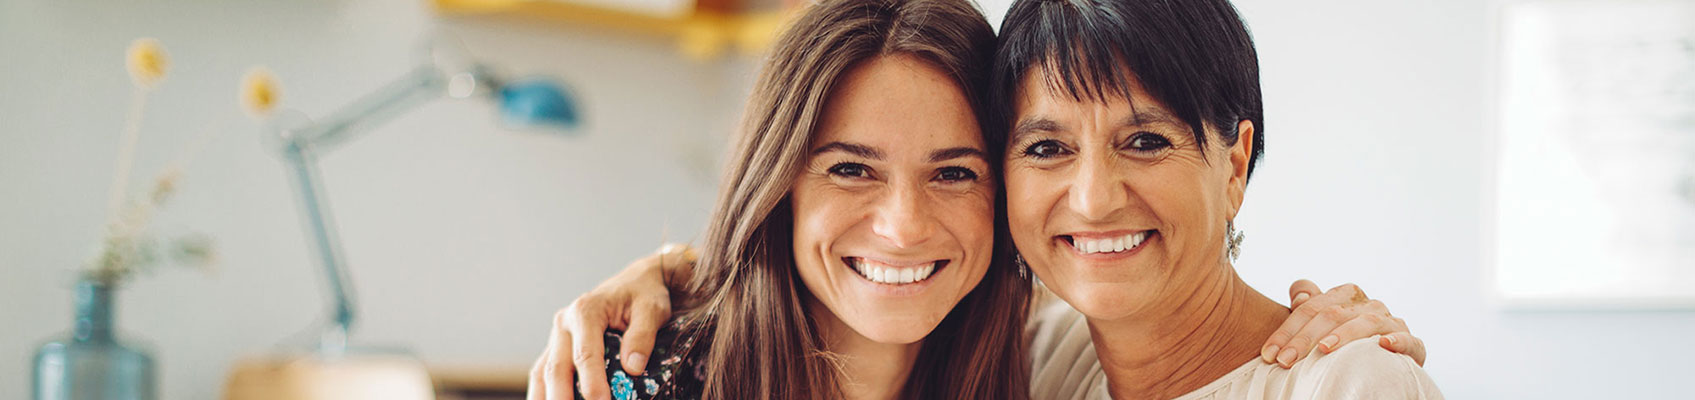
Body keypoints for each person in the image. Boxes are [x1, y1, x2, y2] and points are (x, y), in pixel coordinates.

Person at [534, 0, 1436, 399]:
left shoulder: (1348, 384)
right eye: (1045, 147)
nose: (1091, 196)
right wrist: (669, 274)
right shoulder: (1031, 355)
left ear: (1233, 160)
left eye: (1145, 141)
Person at [542, 1, 1030, 399]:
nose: (904, 227)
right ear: (777, 187)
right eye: (851, 169)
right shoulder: (635, 378)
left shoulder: (1042, 363)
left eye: (953, 173)